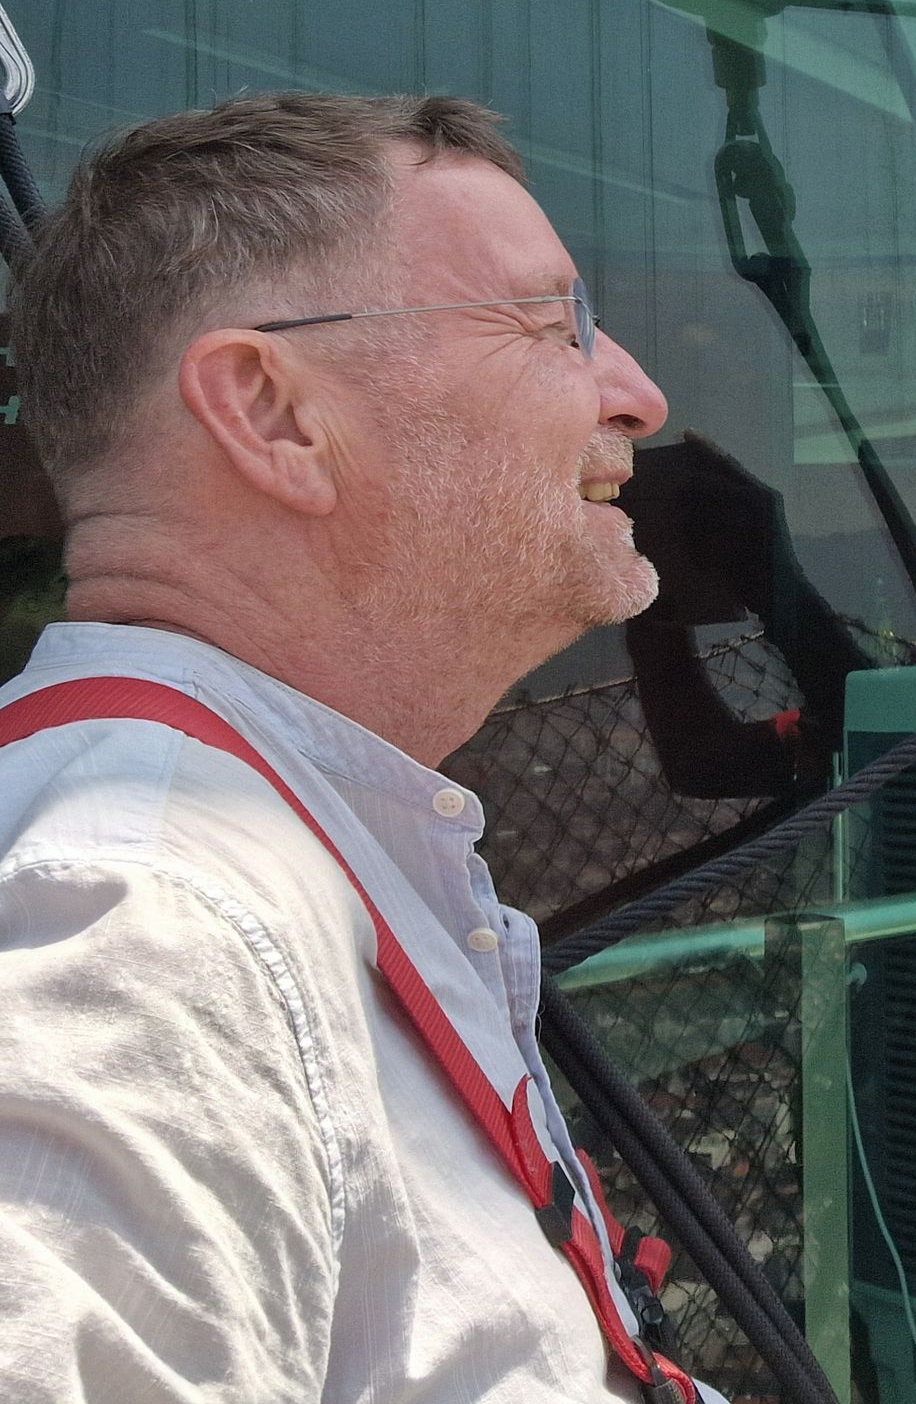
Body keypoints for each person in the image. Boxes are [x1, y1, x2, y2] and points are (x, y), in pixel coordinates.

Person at [0, 93, 712, 1401]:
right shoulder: (142, 919)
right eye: (552, 324)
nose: (639, 395)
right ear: (273, 413)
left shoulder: (247, 855)